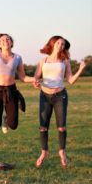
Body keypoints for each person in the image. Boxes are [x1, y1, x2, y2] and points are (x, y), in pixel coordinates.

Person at [33, 36, 87, 168]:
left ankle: (62, 152)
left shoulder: (65, 61)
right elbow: (35, 78)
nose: (61, 45)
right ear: (52, 44)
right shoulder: (43, 60)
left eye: (63, 44)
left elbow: (71, 80)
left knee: (61, 126)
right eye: (58, 43)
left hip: (60, 96)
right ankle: (44, 152)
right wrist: (35, 83)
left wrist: (81, 69)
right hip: (45, 96)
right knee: (43, 126)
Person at [0, 33, 35, 133]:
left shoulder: (18, 57)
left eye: (8, 39)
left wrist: (34, 79)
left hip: (11, 90)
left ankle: (6, 119)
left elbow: (22, 77)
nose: (5, 41)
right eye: (2, 40)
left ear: (11, 43)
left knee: (13, 125)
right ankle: (2, 118)